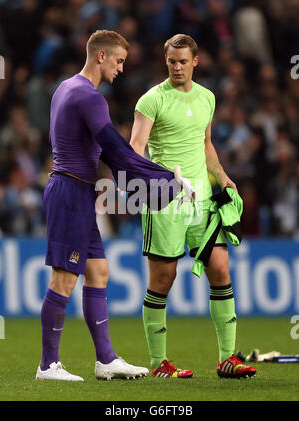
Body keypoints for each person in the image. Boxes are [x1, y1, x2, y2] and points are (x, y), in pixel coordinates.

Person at [36, 30, 183, 382]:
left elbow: (104, 152)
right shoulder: (90, 97)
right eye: (118, 61)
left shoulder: (64, 87)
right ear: (101, 56)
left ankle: (106, 360)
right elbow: (116, 151)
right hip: (71, 193)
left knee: (99, 272)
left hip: (78, 193)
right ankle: (47, 365)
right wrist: (165, 182)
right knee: (63, 279)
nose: (120, 69)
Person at [130, 34, 257, 379]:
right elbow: (136, 148)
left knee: (220, 269)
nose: (177, 67)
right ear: (165, 61)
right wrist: (151, 183)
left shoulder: (207, 99)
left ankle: (228, 359)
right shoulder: (151, 100)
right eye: (171, 61)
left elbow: (205, 144)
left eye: (183, 61)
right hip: (165, 202)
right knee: (164, 277)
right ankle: (159, 364)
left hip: (202, 201)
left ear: (195, 62)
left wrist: (222, 175)